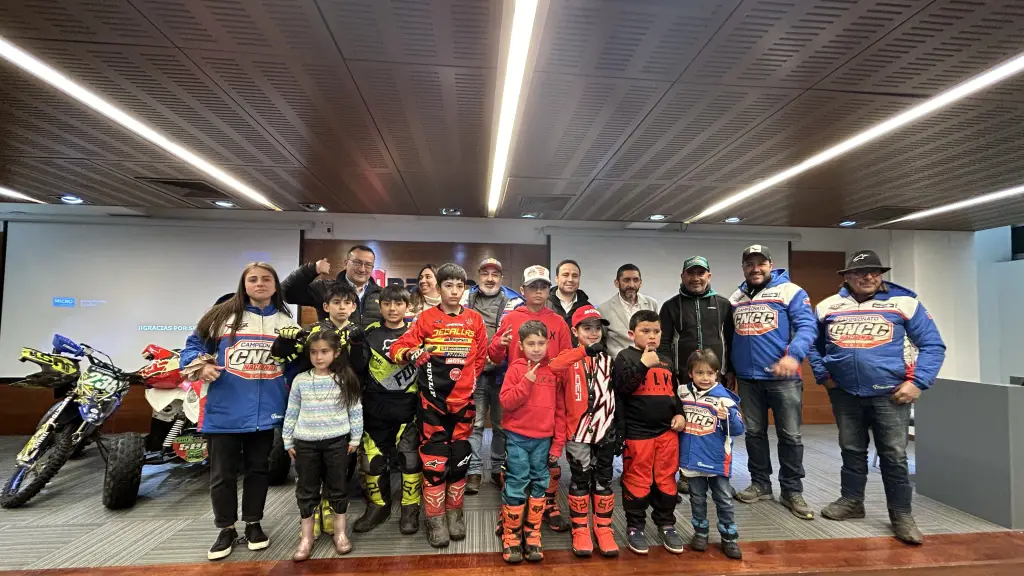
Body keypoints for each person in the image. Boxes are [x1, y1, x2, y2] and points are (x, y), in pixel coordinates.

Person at [808, 250, 946, 545]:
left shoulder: (904, 303)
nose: (868, 277)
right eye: (860, 272)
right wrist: (824, 376)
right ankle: (851, 502)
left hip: (890, 394)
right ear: (846, 277)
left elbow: (934, 345)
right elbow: (811, 345)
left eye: (874, 271)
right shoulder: (828, 306)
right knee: (851, 450)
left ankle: (901, 515)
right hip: (845, 394)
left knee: (894, 456)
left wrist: (918, 383)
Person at [181, 262, 298, 561]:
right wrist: (203, 365)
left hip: (267, 411)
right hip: (225, 410)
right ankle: (226, 528)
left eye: (266, 279)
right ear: (243, 284)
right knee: (222, 474)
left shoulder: (286, 319)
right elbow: (192, 347)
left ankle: (254, 524)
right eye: (253, 279)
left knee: (259, 471)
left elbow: (296, 362)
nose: (260, 284)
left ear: (275, 285)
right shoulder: (222, 315)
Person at [390, 263, 488, 548]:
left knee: (459, 461)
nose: (455, 291)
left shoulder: (475, 320)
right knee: (434, 464)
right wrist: (412, 353)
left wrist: (465, 383)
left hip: (463, 405)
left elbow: (479, 360)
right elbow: (398, 349)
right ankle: (435, 519)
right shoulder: (425, 318)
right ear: (439, 287)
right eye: (449, 285)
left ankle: (454, 514)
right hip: (431, 404)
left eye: (460, 286)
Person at [729, 245, 817, 521]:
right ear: (744, 267)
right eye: (749, 264)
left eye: (760, 263)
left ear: (771, 264)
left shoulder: (791, 291)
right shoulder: (737, 296)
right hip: (748, 379)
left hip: (783, 379)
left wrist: (793, 356)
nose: (755, 269)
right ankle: (761, 483)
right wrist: (731, 369)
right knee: (754, 434)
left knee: (789, 435)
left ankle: (792, 490)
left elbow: (807, 327)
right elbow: (731, 336)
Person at [490, 265, 572, 532]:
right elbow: (495, 355)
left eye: (544, 287)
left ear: (550, 290)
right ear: (523, 290)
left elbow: (567, 359)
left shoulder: (558, 322)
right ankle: (511, 511)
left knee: (546, 457)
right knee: (515, 459)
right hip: (518, 393)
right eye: (533, 286)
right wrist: (497, 345)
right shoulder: (512, 318)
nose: (539, 291)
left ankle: (547, 503)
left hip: (549, 394)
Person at [658, 256, 735, 495]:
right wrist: (669, 372)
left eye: (701, 273)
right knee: (687, 427)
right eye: (691, 273)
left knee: (719, 427)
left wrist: (729, 370)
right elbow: (664, 344)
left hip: (716, 380)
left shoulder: (723, 305)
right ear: (683, 276)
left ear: (709, 276)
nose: (696, 278)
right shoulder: (671, 306)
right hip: (683, 380)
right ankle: (685, 472)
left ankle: (719, 473)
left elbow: (731, 341)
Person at [284, 329, 363, 561]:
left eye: (325, 352)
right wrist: (287, 439)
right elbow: (292, 411)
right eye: (314, 352)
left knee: (337, 487)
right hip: (306, 443)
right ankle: (307, 538)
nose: (319, 357)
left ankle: (340, 533)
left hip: (337, 442)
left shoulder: (346, 379)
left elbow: (355, 411)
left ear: (336, 353)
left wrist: (356, 438)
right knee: (306, 490)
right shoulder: (301, 380)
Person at [349, 285, 422, 535]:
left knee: (410, 460)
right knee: (371, 462)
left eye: (399, 303)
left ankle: (410, 509)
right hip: (375, 407)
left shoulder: (417, 332)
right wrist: (357, 344)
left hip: (408, 409)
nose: (393, 309)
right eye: (387, 304)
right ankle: (377, 507)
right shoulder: (369, 332)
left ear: (407, 306)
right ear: (379, 307)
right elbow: (358, 368)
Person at [548, 305, 618, 558]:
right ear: (574, 330)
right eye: (587, 328)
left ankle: (604, 528)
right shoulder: (569, 358)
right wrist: (582, 352)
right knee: (580, 480)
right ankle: (580, 528)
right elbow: (552, 368)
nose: (593, 333)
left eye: (597, 328)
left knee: (603, 481)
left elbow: (616, 395)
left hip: (606, 432)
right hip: (577, 433)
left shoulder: (609, 359)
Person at [614, 309, 685, 555]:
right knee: (637, 480)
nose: (651, 336)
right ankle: (635, 526)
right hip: (637, 433)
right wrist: (643, 365)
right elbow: (622, 389)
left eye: (656, 331)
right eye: (645, 331)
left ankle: (666, 523)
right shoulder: (625, 357)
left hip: (666, 432)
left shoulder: (665, 359)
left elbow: (673, 393)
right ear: (632, 334)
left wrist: (680, 414)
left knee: (666, 479)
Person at [497, 320, 566, 564]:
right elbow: (506, 402)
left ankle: (532, 532)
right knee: (516, 482)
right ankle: (512, 535)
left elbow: (559, 411)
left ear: (548, 343)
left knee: (540, 482)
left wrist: (557, 444)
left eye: (541, 343)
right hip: (517, 437)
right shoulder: (515, 369)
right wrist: (526, 380)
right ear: (521, 345)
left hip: (543, 440)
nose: (536, 349)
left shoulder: (554, 372)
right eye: (531, 344)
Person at [678, 349, 744, 560]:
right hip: (692, 459)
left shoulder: (725, 399)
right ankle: (700, 532)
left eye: (709, 373)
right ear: (690, 374)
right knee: (697, 498)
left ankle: (729, 537)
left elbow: (738, 429)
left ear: (717, 374)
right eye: (699, 373)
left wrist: (729, 418)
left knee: (723, 499)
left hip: (716, 460)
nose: (705, 378)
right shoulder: (682, 394)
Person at [464, 258, 523, 493]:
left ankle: (498, 468)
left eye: (495, 274)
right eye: (485, 273)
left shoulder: (514, 302)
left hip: (503, 373)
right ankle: (474, 471)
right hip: (474, 372)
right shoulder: (465, 298)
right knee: (476, 424)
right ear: (478, 275)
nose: (490, 278)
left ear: (501, 277)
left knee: (500, 425)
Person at [281, 245, 383, 328]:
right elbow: (286, 293)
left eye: (368, 265)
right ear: (346, 264)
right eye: (357, 262)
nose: (362, 269)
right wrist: (310, 269)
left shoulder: (382, 295)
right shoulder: (324, 288)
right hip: (334, 352)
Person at [598, 264, 658, 358]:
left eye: (635, 280)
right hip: (619, 365)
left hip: (648, 361)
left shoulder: (652, 304)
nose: (631, 285)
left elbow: (656, 333)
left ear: (640, 283)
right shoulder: (604, 309)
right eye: (626, 280)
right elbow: (601, 341)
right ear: (616, 283)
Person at [546, 260, 591, 342]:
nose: (570, 279)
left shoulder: (587, 308)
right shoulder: (544, 304)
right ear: (556, 278)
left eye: (575, 276)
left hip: (578, 354)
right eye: (565, 275)